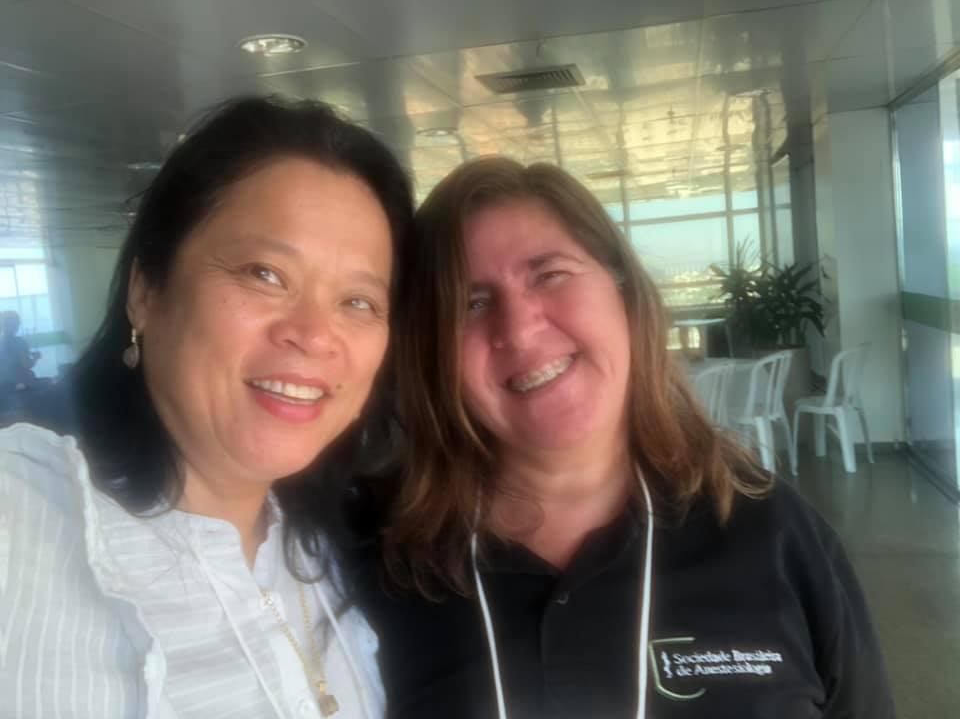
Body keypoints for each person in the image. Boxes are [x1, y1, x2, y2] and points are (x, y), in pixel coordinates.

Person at [354, 157, 895, 719]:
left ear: (625, 294)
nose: (518, 329)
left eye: (549, 274)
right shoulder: (370, 559)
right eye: (472, 303)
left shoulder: (776, 536)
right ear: (431, 353)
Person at [1, 96, 414, 719]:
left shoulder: (340, 554)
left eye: (358, 301)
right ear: (146, 291)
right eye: (264, 273)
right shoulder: (21, 523)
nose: (314, 335)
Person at [0, 310, 41, 390]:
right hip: (21, 385)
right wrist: (36, 358)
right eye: (17, 323)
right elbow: (27, 365)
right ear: (15, 325)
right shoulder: (20, 342)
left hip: (3, 386)